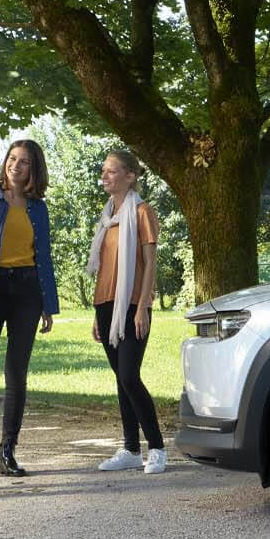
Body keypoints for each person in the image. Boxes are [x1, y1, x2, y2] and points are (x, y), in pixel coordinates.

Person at [0, 139, 58, 477]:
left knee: (17, 374)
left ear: (35, 169)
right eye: (12, 159)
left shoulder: (38, 208)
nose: (16, 166)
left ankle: (7, 453)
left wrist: (48, 303)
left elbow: (42, 256)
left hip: (28, 291)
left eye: (25, 162)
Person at [87, 149, 166, 475]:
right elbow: (104, 267)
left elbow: (149, 264)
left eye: (112, 171)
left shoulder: (142, 212)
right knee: (121, 378)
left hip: (133, 305)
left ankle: (158, 448)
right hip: (105, 305)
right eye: (104, 171)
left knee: (130, 376)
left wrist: (143, 307)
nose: (105, 176)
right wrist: (96, 315)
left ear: (130, 176)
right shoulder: (108, 217)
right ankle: (131, 449)